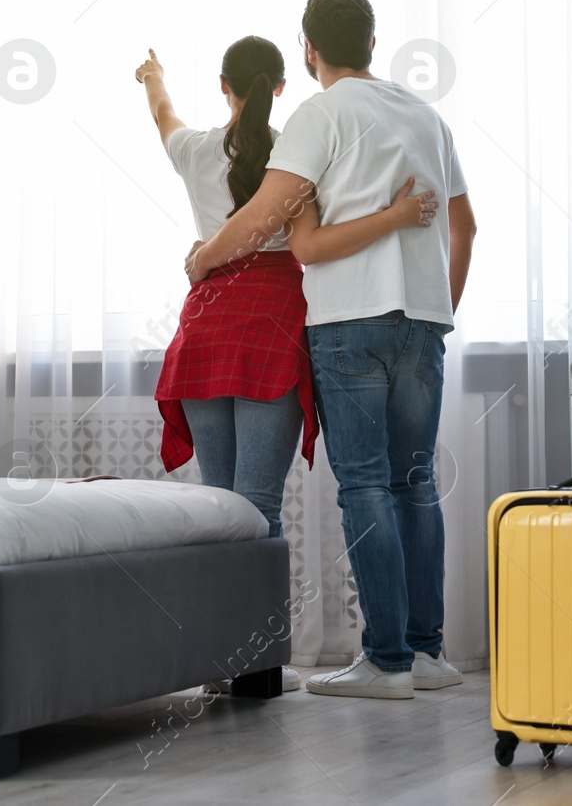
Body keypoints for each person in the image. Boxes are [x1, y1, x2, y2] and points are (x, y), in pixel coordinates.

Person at [185, 0, 477, 700]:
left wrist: (202, 260)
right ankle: (425, 652)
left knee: (366, 485)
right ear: (373, 44)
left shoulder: (320, 114)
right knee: (414, 484)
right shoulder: (425, 114)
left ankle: (384, 661)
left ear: (309, 49)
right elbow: (466, 230)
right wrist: (436, 312)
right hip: (422, 318)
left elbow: (262, 218)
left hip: (349, 322)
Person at [139, 36, 438, 692]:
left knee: (222, 508)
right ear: (279, 88)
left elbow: (163, 116)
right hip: (271, 327)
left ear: (224, 86)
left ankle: (226, 663)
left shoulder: (192, 152)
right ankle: (260, 667)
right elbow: (315, 238)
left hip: (204, 330)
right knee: (259, 510)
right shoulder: (297, 152)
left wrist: (154, 77)